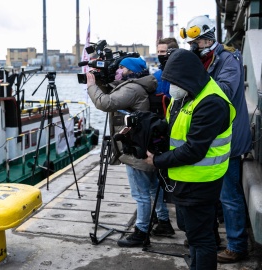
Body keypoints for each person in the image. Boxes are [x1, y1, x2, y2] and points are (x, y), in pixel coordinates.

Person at [144, 49, 235, 270]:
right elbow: (173, 130)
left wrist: (157, 161)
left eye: (175, 81)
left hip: (201, 181)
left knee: (202, 238)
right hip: (184, 178)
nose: (172, 86)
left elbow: (195, 149)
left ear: (188, 76)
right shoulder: (185, 94)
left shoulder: (211, 102)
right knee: (191, 231)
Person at [181, 15, 252, 263]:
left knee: (229, 196)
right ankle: (211, 237)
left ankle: (237, 246)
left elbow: (223, 95)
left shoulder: (227, 60)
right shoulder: (205, 60)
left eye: (198, 42)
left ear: (209, 38)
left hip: (228, 142)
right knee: (210, 194)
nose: (194, 46)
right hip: (212, 140)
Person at [86, 57, 175, 247]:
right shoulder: (139, 84)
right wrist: (101, 79)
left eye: (122, 67)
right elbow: (114, 89)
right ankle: (163, 222)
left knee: (140, 193)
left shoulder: (132, 89)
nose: (118, 70)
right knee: (152, 188)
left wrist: (91, 85)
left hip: (135, 147)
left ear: (131, 71)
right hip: (144, 143)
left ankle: (141, 232)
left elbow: (106, 103)